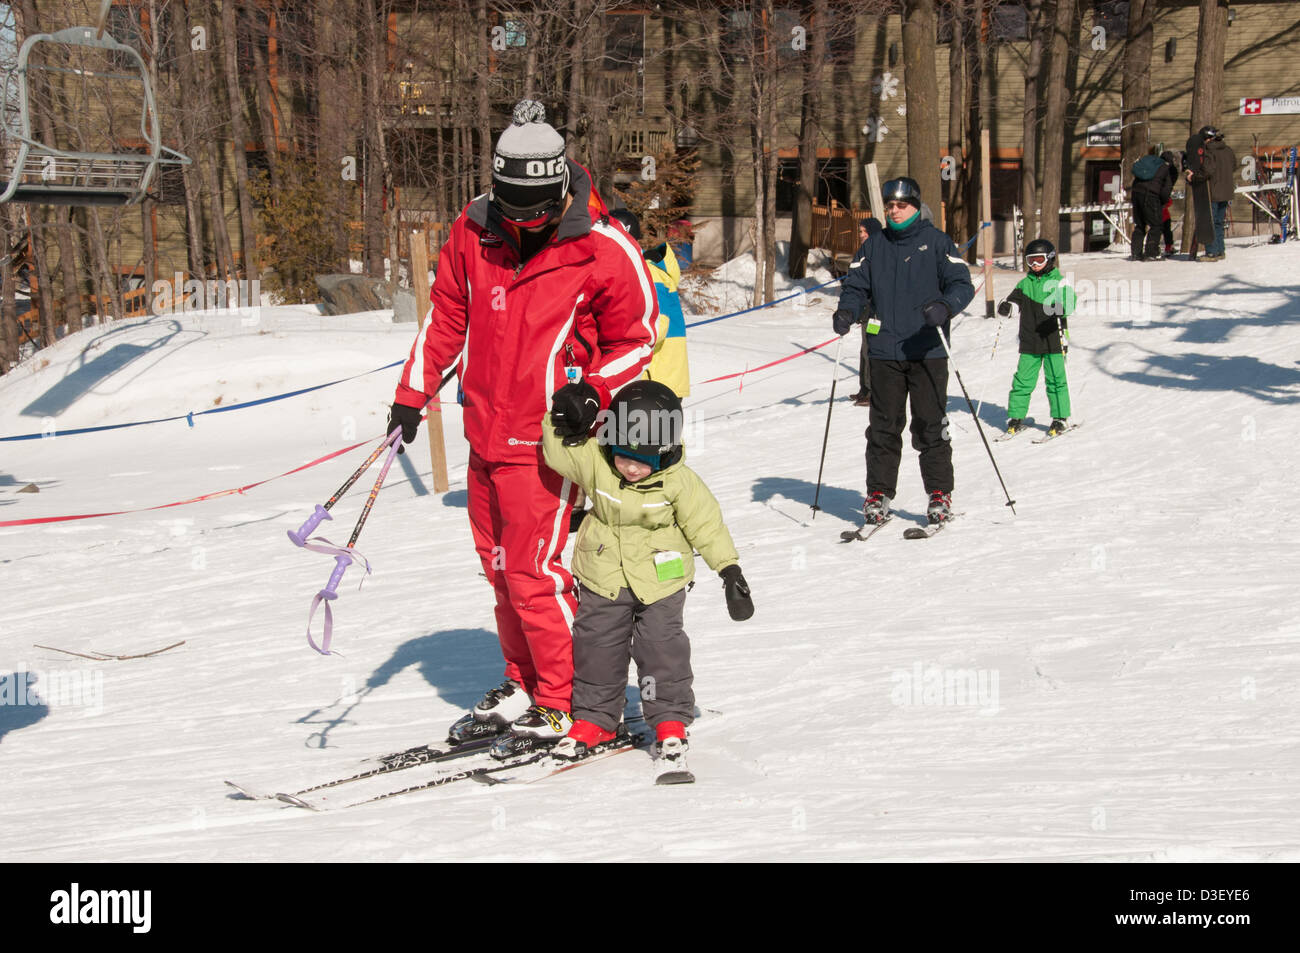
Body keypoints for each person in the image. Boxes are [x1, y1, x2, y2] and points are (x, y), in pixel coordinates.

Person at [386, 101, 659, 754]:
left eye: (537, 208)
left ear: (560, 187)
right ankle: (525, 679)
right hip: (485, 431)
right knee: (501, 569)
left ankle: (573, 699)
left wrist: (593, 392)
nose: (525, 221)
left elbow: (639, 336)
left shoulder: (599, 244)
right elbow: (447, 313)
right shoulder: (476, 228)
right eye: (513, 207)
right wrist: (412, 394)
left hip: (548, 442)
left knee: (536, 570)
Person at [540, 380, 752, 776]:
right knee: (597, 646)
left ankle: (670, 717)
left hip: (661, 579)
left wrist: (729, 570)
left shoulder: (679, 482)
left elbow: (707, 526)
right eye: (624, 457)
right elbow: (558, 454)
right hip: (603, 575)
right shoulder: (597, 463)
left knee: (661, 647)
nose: (633, 468)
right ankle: (596, 719)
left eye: (644, 461)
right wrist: (563, 417)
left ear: (665, 453)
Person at [832, 177, 975, 526]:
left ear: (915, 205)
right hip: (884, 352)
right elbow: (856, 285)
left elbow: (962, 285)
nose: (894, 211)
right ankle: (878, 494)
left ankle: (939, 493)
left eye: (901, 205)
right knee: (883, 427)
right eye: (889, 205)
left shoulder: (937, 242)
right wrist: (847, 310)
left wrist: (945, 306)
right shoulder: (873, 245)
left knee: (930, 425)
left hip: (927, 349)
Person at [609, 208, 691, 398]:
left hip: (659, 380)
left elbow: (658, 324)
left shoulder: (650, 274)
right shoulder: (634, 269)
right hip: (648, 379)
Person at [998, 239, 1075, 437]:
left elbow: (1070, 302)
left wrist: (1062, 307)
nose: (1034, 265)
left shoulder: (1059, 282)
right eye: (1030, 261)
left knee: (1056, 380)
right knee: (1022, 380)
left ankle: (1060, 418)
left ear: (1050, 258)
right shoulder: (1025, 284)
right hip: (1030, 340)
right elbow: (1014, 303)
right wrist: (1007, 307)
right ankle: (1016, 416)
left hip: (1053, 339)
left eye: (1038, 259)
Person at [848, 217, 882, 407]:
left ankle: (873, 391)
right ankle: (864, 388)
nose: (860, 235)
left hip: (874, 313)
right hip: (865, 311)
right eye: (859, 231)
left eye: (863, 232)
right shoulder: (863, 252)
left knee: (871, 349)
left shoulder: (876, 252)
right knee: (864, 350)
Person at [1130, 149, 1173, 261]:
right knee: (1156, 225)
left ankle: (1136, 253)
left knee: (1139, 225)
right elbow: (1166, 189)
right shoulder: (1165, 168)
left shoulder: (1148, 163)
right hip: (1151, 196)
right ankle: (1151, 253)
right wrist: (1163, 202)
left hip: (1136, 193)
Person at [1203, 128, 1236, 261]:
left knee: (1210, 221)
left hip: (1213, 190)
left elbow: (1208, 170)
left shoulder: (1209, 152)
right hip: (1227, 190)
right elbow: (1234, 165)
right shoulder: (1228, 150)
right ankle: (1220, 250)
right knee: (1219, 222)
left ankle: (1211, 251)